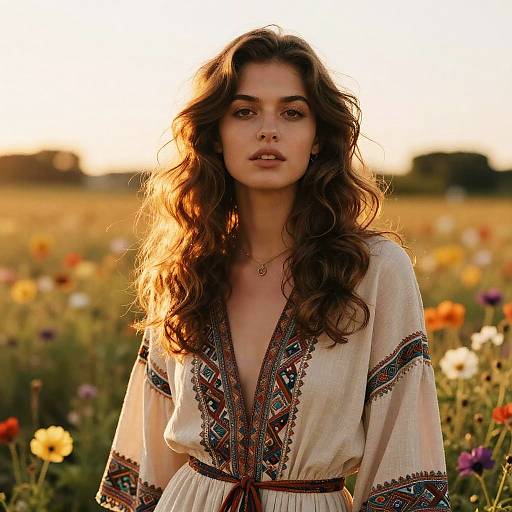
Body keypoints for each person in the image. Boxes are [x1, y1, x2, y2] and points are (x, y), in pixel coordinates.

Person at [95, 25, 451, 512]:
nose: (269, 129)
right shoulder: (185, 268)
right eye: (244, 112)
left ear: (319, 138)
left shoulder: (373, 271)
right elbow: (151, 457)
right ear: (215, 136)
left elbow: (401, 442)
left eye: (292, 112)